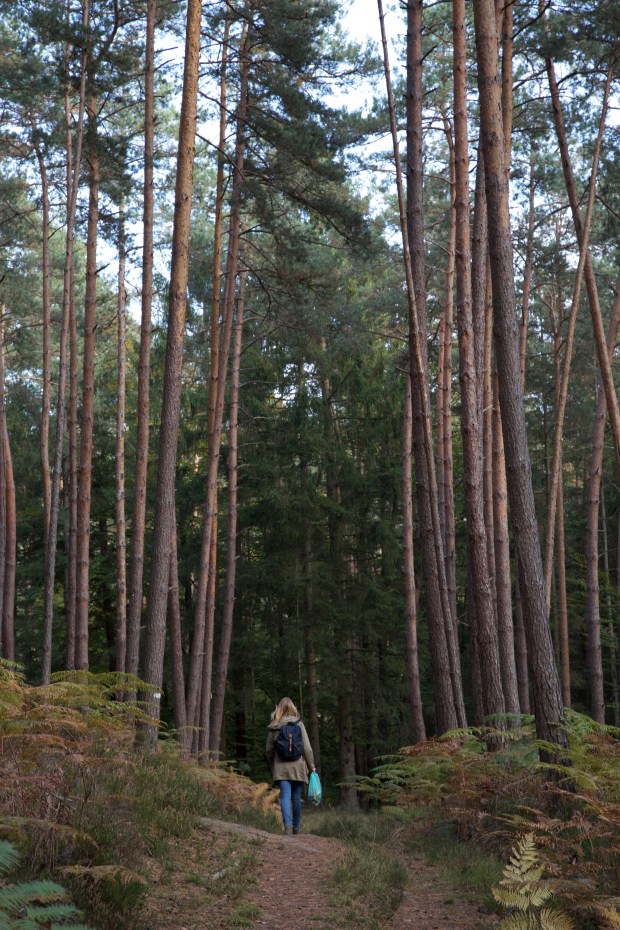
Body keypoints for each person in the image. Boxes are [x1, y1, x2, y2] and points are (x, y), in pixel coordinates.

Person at [266, 696, 316, 835]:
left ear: (279, 709)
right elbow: (307, 748)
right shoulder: (299, 724)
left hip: (280, 766)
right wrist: (312, 766)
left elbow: (269, 749)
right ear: (293, 708)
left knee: (285, 797)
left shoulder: (274, 726)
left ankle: (287, 827)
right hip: (298, 766)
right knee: (296, 797)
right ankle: (296, 827)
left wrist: (273, 762)